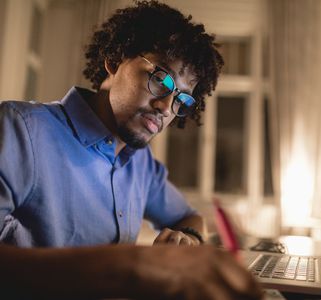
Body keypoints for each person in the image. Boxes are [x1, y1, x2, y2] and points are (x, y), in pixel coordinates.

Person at [0, 1, 263, 299]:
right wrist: (136, 264)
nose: (166, 107)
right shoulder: (20, 130)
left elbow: (189, 217)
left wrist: (186, 240)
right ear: (114, 59)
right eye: (161, 79)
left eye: (182, 100)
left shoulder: (141, 163)